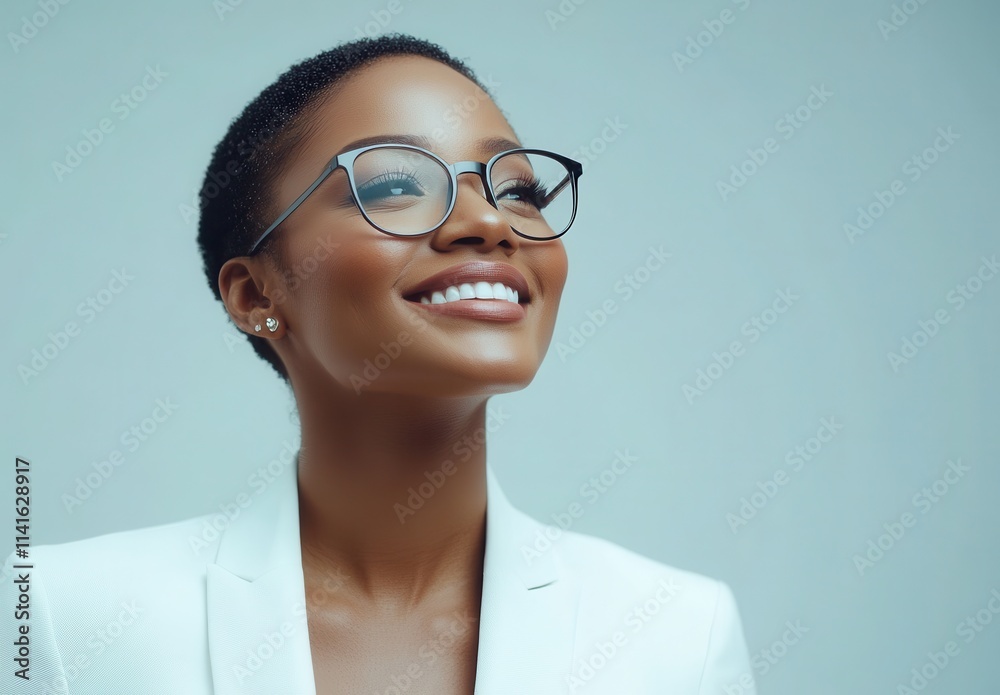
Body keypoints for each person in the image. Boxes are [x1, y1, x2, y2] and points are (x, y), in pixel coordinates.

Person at [1, 34, 756, 694]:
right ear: (255, 292)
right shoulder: (63, 613)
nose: (491, 221)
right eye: (395, 184)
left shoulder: (678, 636)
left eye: (518, 188)